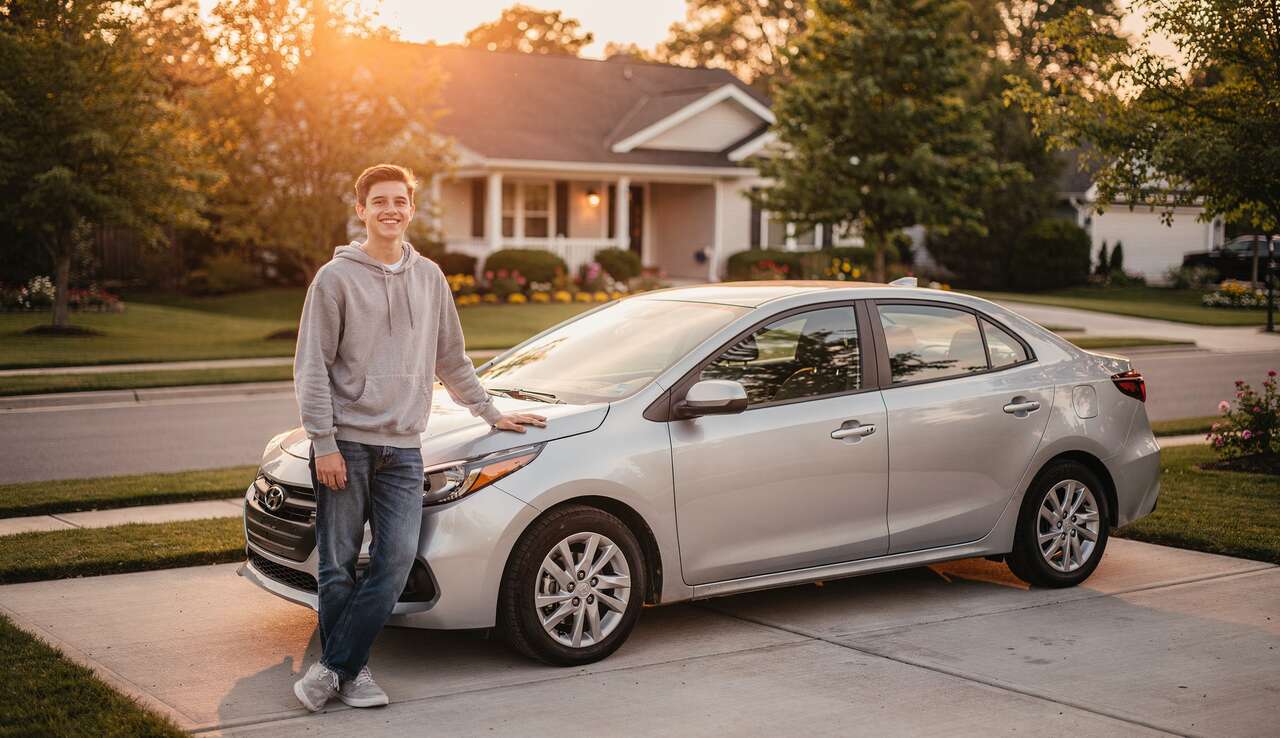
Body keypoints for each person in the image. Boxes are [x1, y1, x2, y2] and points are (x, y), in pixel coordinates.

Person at [291, 164, 546, 711]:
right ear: (360, 209)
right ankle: (354, 674)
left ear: (411, 208)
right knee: (337, 566)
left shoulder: (429, 277)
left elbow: (450, 356)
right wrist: (325, 441)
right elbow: (311, 365)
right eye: (378, 201)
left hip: (406, 448)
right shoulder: (335, 279)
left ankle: (333, 669)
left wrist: (488, 410)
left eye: (400, 201)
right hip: (348, 445)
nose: (390, 210)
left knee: (396, 561)